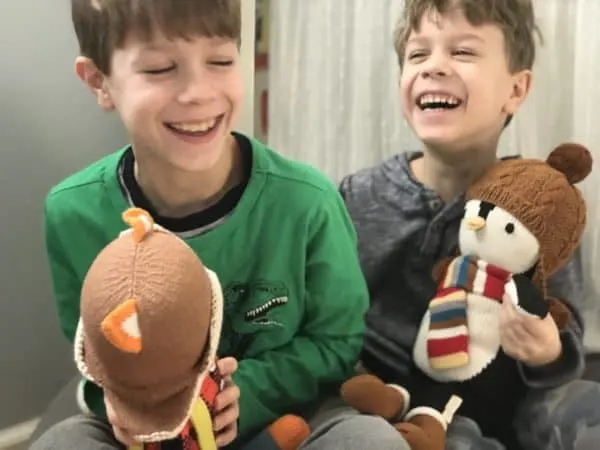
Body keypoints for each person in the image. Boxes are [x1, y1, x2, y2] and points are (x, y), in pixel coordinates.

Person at [30, 0, 369, 449]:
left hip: (286, 421)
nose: (198, 92)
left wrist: (252, 390)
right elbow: (93, 353)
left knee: (367, 438)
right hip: (149, 429)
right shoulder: (72, 213)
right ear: (99, 81)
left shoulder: (308, 202)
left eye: (220, 61)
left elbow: (339, 340)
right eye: (160, 68)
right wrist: (117, 400)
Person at [305, 0, 600, 449]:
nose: (433, 67)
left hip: (492, 405)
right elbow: (324, 322)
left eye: (462, 52)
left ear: (516, 90)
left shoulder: (544, 207)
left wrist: (548, 351)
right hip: (376, 403)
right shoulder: (357, 197)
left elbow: (567, 341)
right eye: (418, 55)